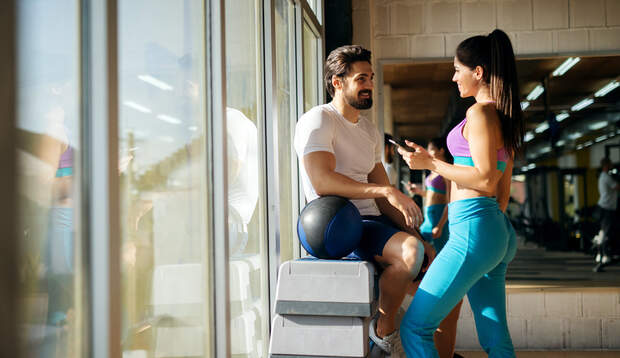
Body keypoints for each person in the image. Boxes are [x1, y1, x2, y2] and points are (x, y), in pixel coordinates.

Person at [293, 45, 434, 357]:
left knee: (432, 262)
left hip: (375, 222)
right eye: (361, 78)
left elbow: (384, 196)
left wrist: (417, 235)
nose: (369, 84)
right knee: (409, 254)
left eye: (370, 77)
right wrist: (385, 193)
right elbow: (322, 181)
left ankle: (433, 348)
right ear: (337, 82)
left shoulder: (369, 130)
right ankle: (383, 332)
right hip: (344, 223)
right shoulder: (319, 120)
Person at [397, 29, 523, 357]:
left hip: (473, 230)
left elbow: (485, 180)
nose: (454, 78)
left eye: (457, 69)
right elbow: (502, 191)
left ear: (477, 72)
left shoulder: (480, 113)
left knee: (414, 327)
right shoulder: (503, 115)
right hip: (494, 230)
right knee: (495, 339)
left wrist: (431, 163)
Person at [406, 137, 462, 358]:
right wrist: (416, 192)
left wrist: (441, 225)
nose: (428, 153)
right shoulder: (431, 173)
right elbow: (430, 195)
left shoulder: (446, 171)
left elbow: (449, 200)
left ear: (440, 150)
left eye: (430, 149)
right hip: (428, 222)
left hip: (439, 221)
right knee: (428, 264)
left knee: (440, 266)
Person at [594, 157, 619, 268]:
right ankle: (605, 256)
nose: (612, 165)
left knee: (604, 232)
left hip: (605, 207)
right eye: (611, 164)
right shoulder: (606, 177)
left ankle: (602, 255)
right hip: (606, 208)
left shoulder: (603, 176)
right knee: (606, 232)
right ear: (606, 165)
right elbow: (617, 187)